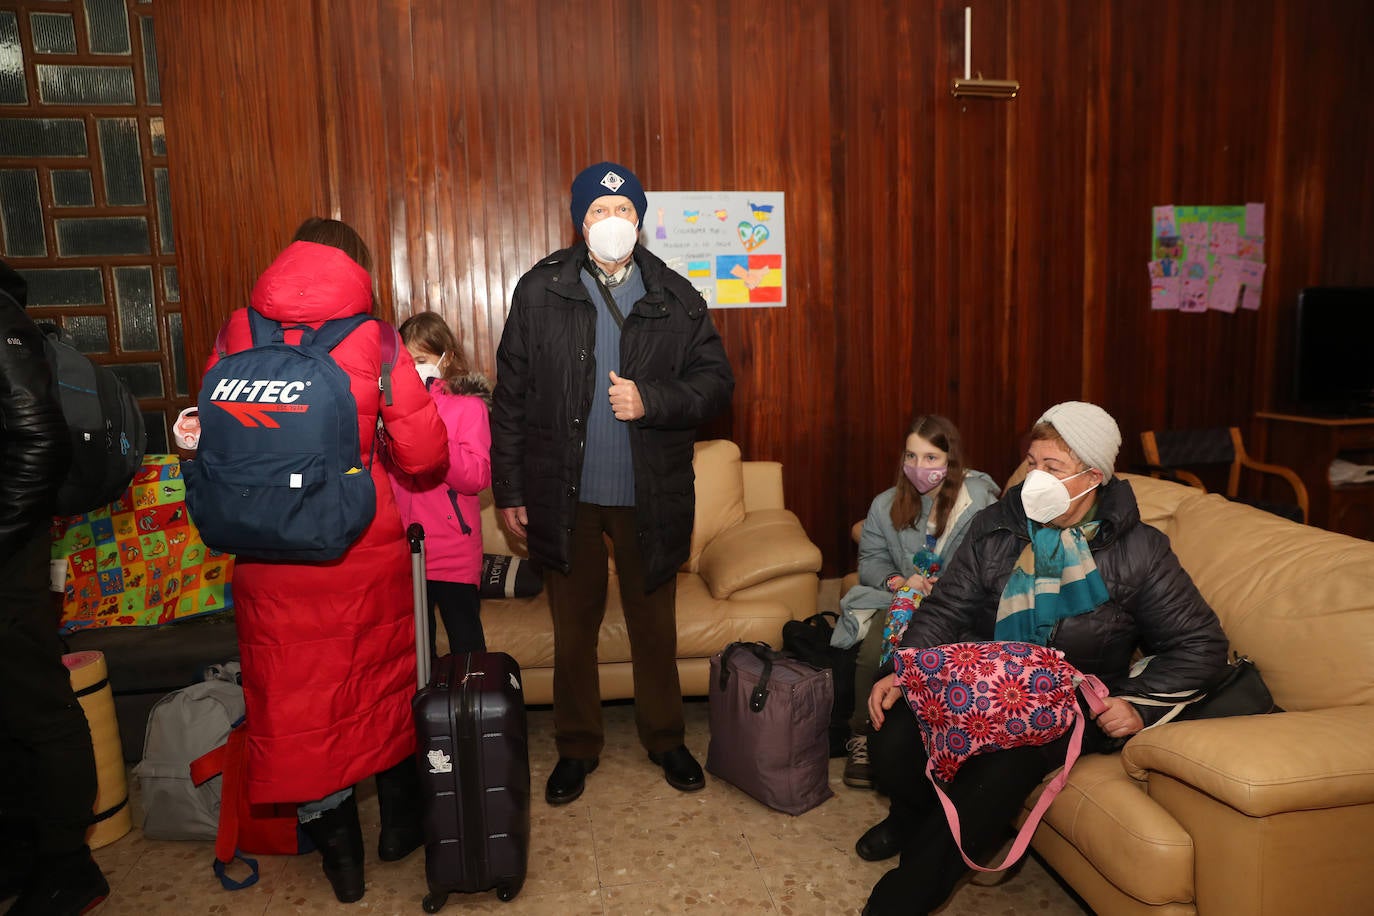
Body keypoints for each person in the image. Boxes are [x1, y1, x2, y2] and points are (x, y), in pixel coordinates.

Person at [855, 401, 1228, 916]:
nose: (1034, 477)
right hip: (978, 677)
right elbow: (946, 608)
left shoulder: (1140, 550)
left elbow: (1201, 645)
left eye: (1051, 468)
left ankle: (901, 901)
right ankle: (909, 815)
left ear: (1091, 477)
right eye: (1032, 463)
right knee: (892, 736)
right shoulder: (995, 525)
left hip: (1060, 705)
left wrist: (1137, 704)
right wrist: (904, 668)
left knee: (993, 777)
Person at [199, 218, 448, 903]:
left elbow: (214, 439)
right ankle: (401, 833)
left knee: (299, 712)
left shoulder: (237, 333)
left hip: (264, 555)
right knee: (380, 691)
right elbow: (426, 458)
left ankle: (343, 870)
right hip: (358, 553)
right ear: (358, 268)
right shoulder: (376, 339)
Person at [491, 161, 734, 806]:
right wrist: (511, 487)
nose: (612, 223)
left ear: (641, 220)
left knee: (654, 625)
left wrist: (651, 399)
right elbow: (510, 395)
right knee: (574, 628)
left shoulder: (677, 295)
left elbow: (716, 385)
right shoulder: (540, 290)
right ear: (580, 222)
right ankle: (576, 746)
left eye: (623, 211)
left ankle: (665, 738)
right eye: (599, 213)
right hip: (563, 491)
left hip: (647, 493)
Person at [0, 263, 109, 915]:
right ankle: (20, 852)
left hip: (10, 555)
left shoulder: (3, 321)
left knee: (40, 709)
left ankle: (70, 865)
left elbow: (40, 441)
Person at [836, 415, 1000, 790]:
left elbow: (987, 561)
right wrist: (900, 583)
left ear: (950, 460)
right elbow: (871, 561)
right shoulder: (885, 505)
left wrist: (942, 585)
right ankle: (863, 733)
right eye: (912, 456)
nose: (919, 467)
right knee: (873, 650)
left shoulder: (978, 502)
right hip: (901, 599)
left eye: (931, 457)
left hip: (956, 602)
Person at [386, 311, 492, 656]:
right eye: (407, 360)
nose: (414, 368)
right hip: (406, 550)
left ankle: (472, 709)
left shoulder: (468, 408)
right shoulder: (390, 411)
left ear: (445, 359)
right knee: (418, 652)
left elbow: (476, 477)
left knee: (467, 646)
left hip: (453, 551)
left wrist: (433, 440)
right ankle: (425, 710)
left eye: (422, 360)